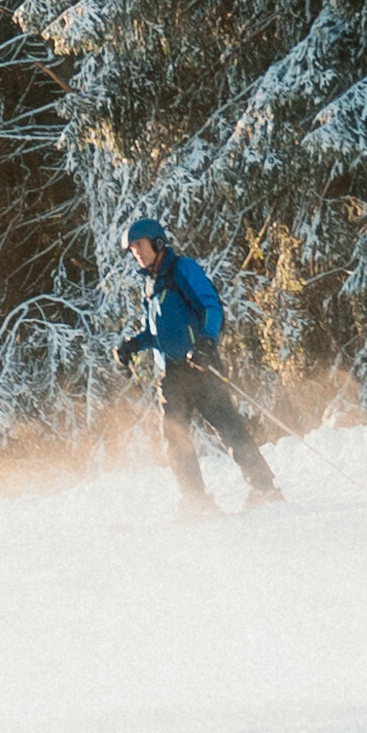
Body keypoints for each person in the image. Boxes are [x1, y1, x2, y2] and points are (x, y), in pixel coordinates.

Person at [119, 214, 279, 513]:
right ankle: (196, 501)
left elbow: (211, 305)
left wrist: (207, 342)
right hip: (172, 375)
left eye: (139, 245)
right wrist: (134, 345)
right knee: (176, 438)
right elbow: (157, 333)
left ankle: (265, 488)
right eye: (132, 249)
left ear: (156, 242)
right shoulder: (150, 286)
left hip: (201, 365)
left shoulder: (183, 270)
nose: (136, 252)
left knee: (229, 428)